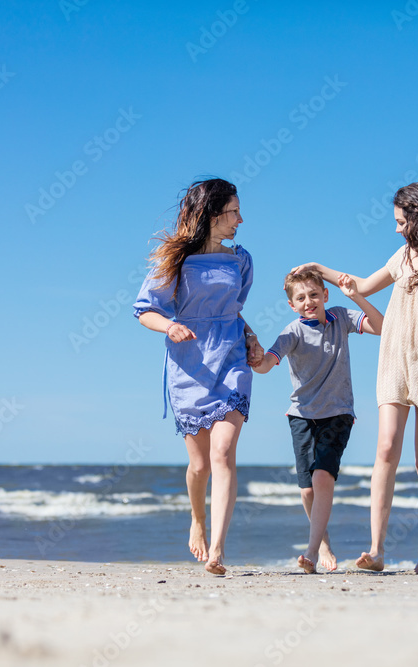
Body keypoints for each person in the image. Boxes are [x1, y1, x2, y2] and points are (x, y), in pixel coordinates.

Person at [293, 182, 418, 573]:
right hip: (395, 359)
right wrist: (319, 268)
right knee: (387, 449)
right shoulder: (402, 256)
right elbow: (359, 285)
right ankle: (376, 550)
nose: (396, 229)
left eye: (400, 221)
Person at [133, 178, 264, 575]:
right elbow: (144, 309)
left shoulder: (241, 260)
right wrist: (168, 327)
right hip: (189, 363)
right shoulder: (174, 260)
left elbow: (234, 310)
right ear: (211, 213)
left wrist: (251, 336)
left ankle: (218, 550)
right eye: (233, 211)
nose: (240, 219)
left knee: (223, 452)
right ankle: (197, 519)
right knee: (199, 466)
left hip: (232, 361)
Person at [252, 269, 383, 573]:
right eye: (301, 297)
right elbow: (268, 363)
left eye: (314, 294)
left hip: (338, 412)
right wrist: (256, 360)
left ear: (325, 295)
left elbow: (382, 327)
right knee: (308, 490)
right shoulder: (291, 333)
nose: (309, 301)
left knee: (322, 477)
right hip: (301, 416)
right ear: (292, 305)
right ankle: (322, 542)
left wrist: (356, 296)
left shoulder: (341, 317)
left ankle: (310, 552)